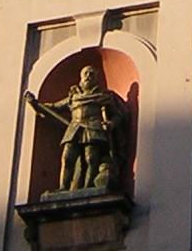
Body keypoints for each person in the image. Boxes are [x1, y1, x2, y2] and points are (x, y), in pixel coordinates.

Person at [26, 65, 128, 193]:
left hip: (93, 128)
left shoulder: (103, 96)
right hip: (74, 129)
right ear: (81, 77)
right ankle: (63, 188)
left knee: (91, 158)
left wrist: (111, 124)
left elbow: (117, 115)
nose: (88, 76)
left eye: (91, 74)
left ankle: (88, 187)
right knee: (67, 158)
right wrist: (34, 103)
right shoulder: (73, 97)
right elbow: (53, 108)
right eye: (86, 73)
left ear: (96, 78)